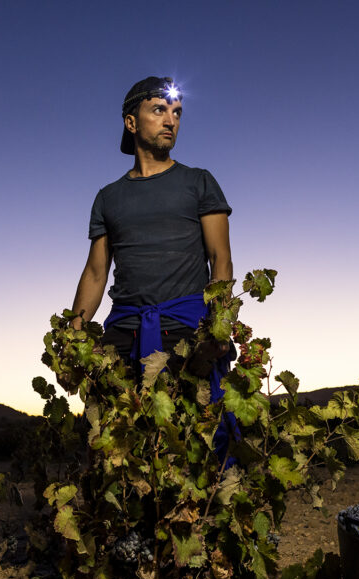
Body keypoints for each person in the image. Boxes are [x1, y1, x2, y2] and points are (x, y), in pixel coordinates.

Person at [70, 76, 233, 377]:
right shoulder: (108, 197)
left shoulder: (199, 182)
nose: (171, 121)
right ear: (131, 123)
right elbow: (95, 273)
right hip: (122, 336)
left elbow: (220, 257)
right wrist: (72, 340)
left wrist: (220, 325)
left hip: (188, 333)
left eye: (177, 113)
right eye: (159, 110)